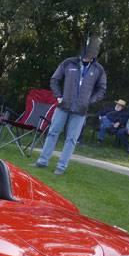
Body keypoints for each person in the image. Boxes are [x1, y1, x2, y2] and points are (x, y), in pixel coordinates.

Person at [34, 36, 108, 175]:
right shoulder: (68, 63)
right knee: (53, 133)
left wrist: (90, 100)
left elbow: (102, 89)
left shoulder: (98, 69)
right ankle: (42, 161)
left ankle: (61, 167)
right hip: (63, 106)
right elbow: (55, 79)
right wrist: (59, 96)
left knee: (72, 139)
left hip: (80, 110)